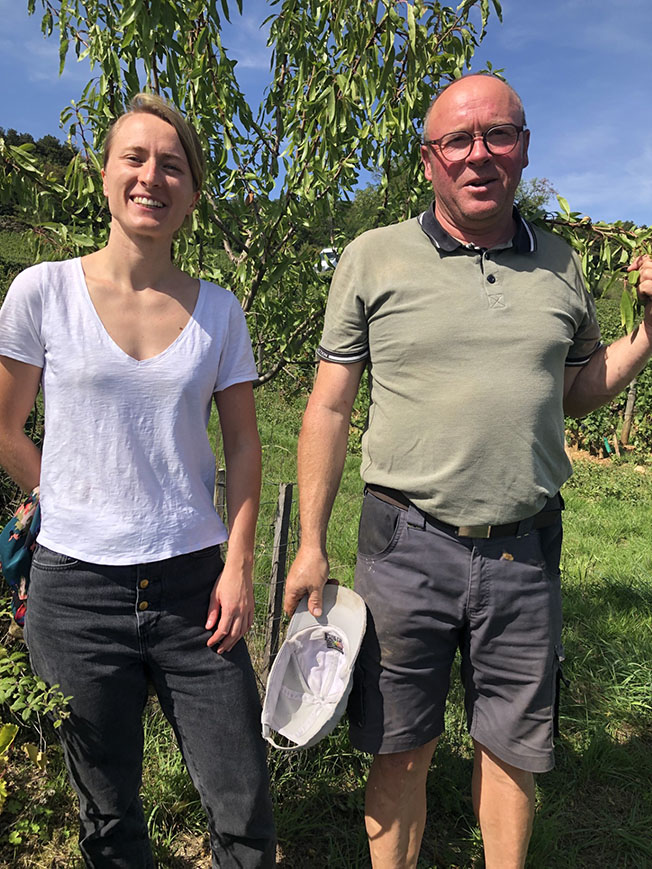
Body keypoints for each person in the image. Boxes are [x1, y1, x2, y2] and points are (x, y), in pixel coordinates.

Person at [284, 73, 652, 869]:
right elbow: (329, 407)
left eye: (498, 135)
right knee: (399, 746)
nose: (478, 154)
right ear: (429, 159)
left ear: (524, 149)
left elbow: (578, 390)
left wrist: (648, 331)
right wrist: (310, 543)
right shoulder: (372, 256)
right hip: (405, 544)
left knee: (512, 751)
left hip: (524, 548)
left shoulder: (561, 264)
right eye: (457, 139)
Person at [0, 93, 276, 868]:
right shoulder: (42, 292)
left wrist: (239, 563)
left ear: (192, 195)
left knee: (243, 801)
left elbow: (244, 445)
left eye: (173, 165)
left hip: (195, 587)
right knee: (108, 810)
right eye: (135, 157)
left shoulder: (219, 312)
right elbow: (5, 426)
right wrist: (61, 494)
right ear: (104, 175)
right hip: (75, 590)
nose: (152, 175)